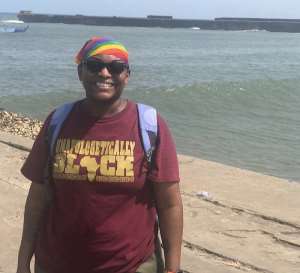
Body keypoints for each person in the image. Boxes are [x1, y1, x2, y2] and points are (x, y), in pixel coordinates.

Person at [16, 37, 183, 273]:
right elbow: (37, 198)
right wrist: (23, 261)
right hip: (56, 263)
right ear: (80, 72)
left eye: (115, 67)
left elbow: (170, 204)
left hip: (131, 265)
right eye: (94, 65)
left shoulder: (149, 125)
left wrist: (173, 268)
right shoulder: (57, 121)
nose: (104, 73)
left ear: (127, 75)